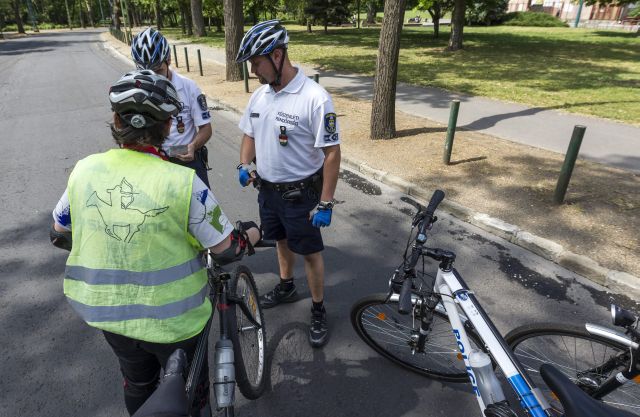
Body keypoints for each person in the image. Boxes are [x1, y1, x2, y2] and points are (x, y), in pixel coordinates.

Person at [50, 70, 261, 417]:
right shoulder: (182, 182)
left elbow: (59, 230)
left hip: (108, 315)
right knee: (193, 394)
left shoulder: (84, 171)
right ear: (166, 127)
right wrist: (252, 234)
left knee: (137, 384)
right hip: (176, 321)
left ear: (116, 120)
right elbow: (227, 249)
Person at [235, 20, 341, 348]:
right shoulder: (259, 97)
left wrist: (325, 202)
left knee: (309, 253)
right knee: (279, 240)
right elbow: (249, 133)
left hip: (301, 194)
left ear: (278, 55)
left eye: (257, 62)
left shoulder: (315, 98)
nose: (253, 71)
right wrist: (243, 163)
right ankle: (286, 285)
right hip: (268, 191)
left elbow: (332, 153)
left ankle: (319, 308)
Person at [131, 27, 213, 188]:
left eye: (158, 71)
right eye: (147, 73)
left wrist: (193, 146)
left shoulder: (188, 87)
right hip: (151, 163)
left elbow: (206, 129)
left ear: (168, 59)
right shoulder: (135, 90)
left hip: (187, 163)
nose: (154, 78)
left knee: (201, 212)